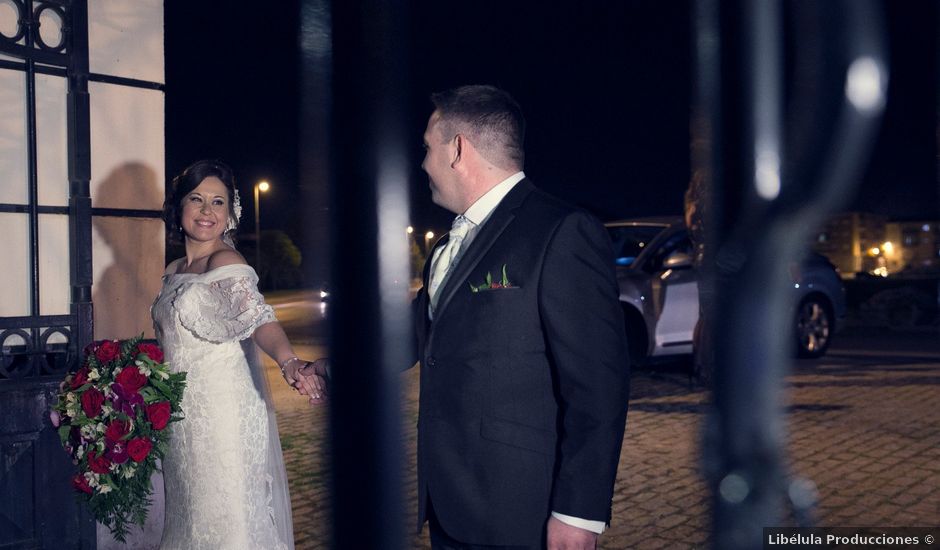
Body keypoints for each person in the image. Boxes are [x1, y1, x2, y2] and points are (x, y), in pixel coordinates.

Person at [411, 85, 630, 549]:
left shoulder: (561, 231)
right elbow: (413, 337)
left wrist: (578, 514)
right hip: (450, 505)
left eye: (428, 148)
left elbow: (597, 386)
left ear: (457, 149)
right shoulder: (446, 247)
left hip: (519, 512)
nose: (424, 163)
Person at [151, 159, 328, 549]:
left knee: (226, 516)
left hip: (223, 414)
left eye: (218, 202)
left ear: (230, 213)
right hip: (180, 417)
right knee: (189, 515)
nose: (207, 211)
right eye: (197, 199)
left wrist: (289, 361)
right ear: (179, 207)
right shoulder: (174, 268)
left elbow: (260, 318)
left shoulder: (226, 261)